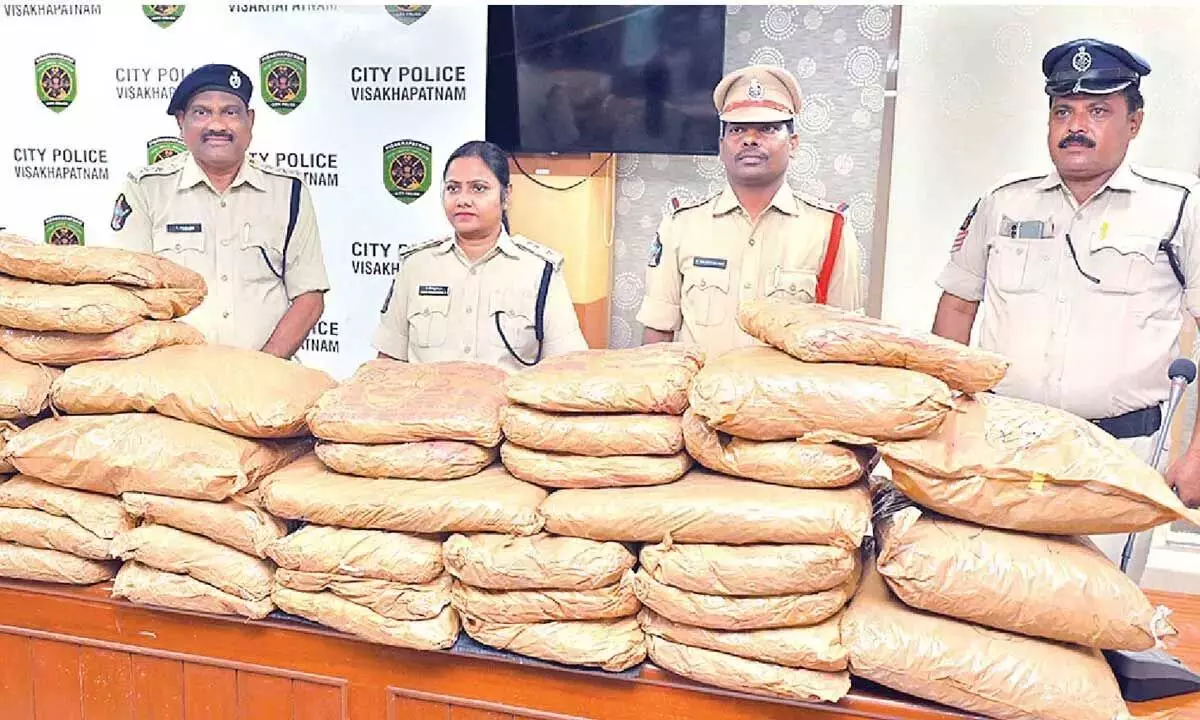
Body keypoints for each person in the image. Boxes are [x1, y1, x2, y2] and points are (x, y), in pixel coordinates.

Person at [930, 38, 1200, 579]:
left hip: (1120, 453)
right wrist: (941, 421)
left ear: (1134, 122)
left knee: (1098, 604)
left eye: (1098, 111)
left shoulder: (1179, 205)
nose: (1076, 126)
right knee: (995, 592)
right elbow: (956, 309)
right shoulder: (1003, 202)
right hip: (1005, 447)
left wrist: (1198, 454)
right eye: (1063, 111)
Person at [636, 64, 863, 357]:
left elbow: (845, 343)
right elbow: (658, 332)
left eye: (768, 128)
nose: (750, 139)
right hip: (704, 386)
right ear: (721, 146)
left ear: (793, 144)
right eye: (737, 129)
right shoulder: (681, 225)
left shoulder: (830, 230)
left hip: (785, 388)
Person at [108, 63, 329, 358]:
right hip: (171, 375)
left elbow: (309, 296)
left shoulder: (288, 192)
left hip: (267, 372)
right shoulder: (147, 189)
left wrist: (261, 367)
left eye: (230, 112)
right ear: (181, 121)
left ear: (250, 121)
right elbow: (128, 293)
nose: (217, 125)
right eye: (201, 112)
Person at [373, 140, 588, 371]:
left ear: (506, 196)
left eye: (478, 188)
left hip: (507, 395)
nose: (463, 200)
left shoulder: (539, 271)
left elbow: (567, 367)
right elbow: (387, 362)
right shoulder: (416, 266)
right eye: (453, 188)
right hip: (427, 395)